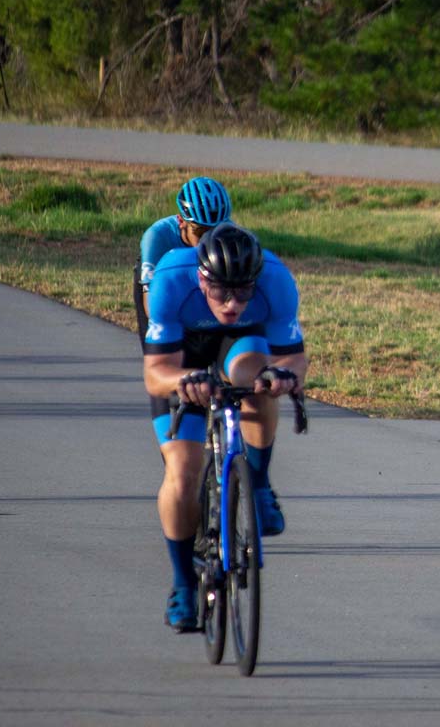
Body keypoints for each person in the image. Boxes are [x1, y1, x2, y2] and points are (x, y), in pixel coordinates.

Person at [143, 223, 308, 631]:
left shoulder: (276, 281)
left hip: (242, 345)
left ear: (255, 282)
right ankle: (183, 584)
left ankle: (259, 481)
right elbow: (155, 373)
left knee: (259, 379)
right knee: (182, 474)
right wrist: (185, 381)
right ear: (202, 279)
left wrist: (283, 377)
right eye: (220, 292)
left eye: (242, 292)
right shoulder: (170, 282)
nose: (232, 303)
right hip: (188, 351)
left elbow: (295, 359)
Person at [133, 176, 232, 341]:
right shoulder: (157, 237)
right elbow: (152, 307)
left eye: (215, 231)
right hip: (168, 283)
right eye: (200, 232)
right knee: (160, 348)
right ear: (181, 221)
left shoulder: (231, 235)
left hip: (209, 281)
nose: (207, 240)